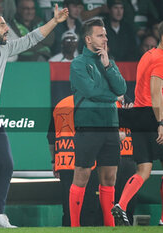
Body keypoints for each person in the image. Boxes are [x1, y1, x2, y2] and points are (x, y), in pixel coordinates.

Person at [0, 5, 69, 228]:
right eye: (2, 25)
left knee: (6, 165)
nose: (7, 28)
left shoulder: (4, 48)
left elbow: (32, 39)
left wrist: (55, 21)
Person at [69, 18, 127, 227]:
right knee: (82, 175)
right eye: (100, 35)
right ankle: (75, 227)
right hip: (88, 126)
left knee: (109, 178)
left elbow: (122, 89)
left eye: (105, 35)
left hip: (111, 126)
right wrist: (113, 97)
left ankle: (109, 226)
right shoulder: (78, 64)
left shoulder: (108, 62)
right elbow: (91, 91)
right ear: (88, 39)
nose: (105, 38)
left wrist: (108, 65)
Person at [112, 21, 163, 227]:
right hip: (154, 117)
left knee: (144, 170)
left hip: (139, 116)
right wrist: (160, 122)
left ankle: (121, 205)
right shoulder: (160, 60)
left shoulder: (147, 55)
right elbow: (155, 93)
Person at [47, 95, 100, 226]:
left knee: (68, 207)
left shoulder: (60, 104)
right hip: (88, 164)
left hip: (65, 163)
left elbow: (50, 138)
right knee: (89, 206)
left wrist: (54, 161)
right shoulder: (92, 104)